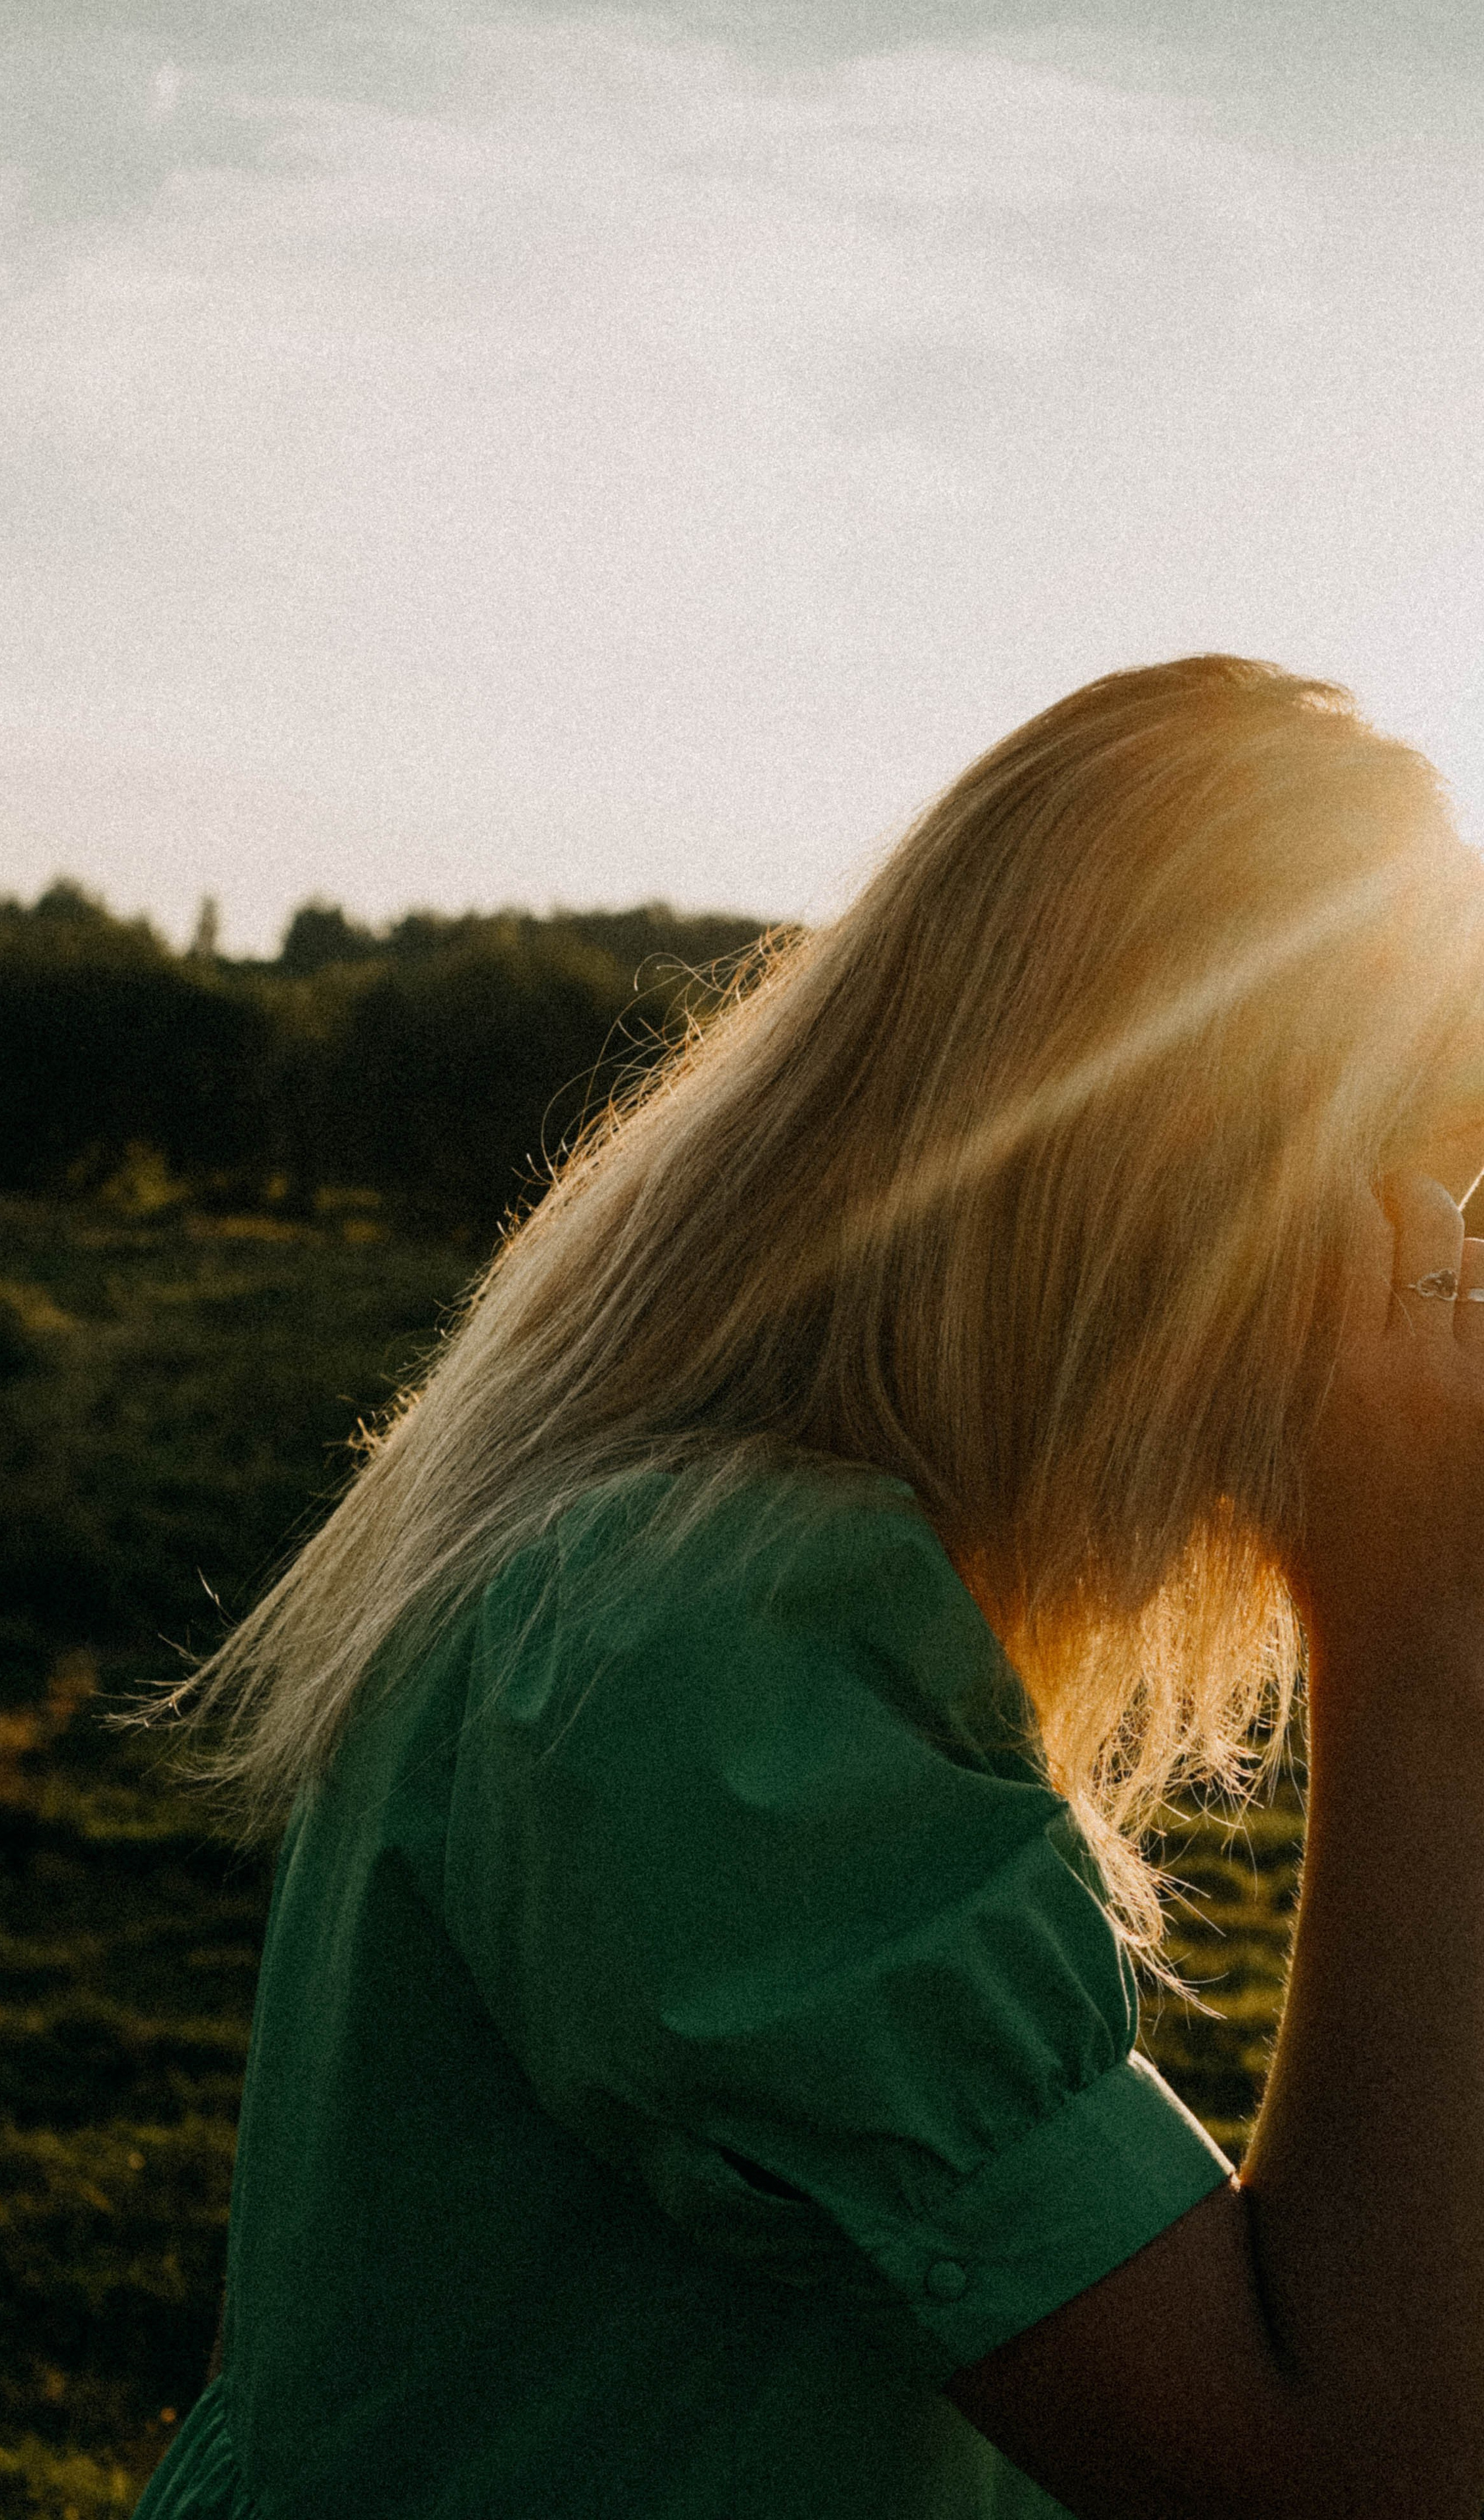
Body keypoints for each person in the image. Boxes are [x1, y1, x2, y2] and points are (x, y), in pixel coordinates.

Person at [134, 656, 1484, 2518]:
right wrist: (1418, 1638)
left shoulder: (696, 1569)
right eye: (1443, 1191)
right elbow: (1351, 2466)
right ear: (1232, 1183)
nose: (1446, 1297)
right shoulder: (704, 1654)